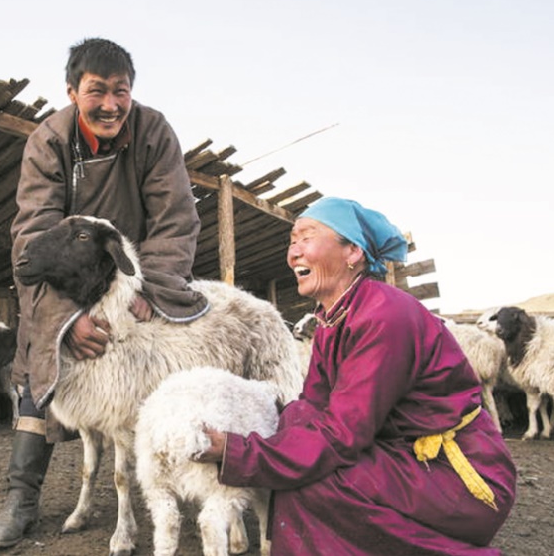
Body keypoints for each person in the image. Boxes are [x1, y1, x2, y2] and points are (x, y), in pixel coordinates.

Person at [0, 38, 209, 550]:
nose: (111, 104)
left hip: (133, 274)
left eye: (121, 91)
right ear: (72, 91)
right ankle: (21, 497)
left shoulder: (152, 132)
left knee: (163, 368)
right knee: (37, 365)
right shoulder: (48, 141)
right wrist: (66, 319)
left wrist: (150, 285)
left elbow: (175, 216)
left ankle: (200, 480)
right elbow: (35, 234)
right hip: (66, 277)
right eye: (97, 91)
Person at [195, 197, 517, 555]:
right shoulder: (334, 318)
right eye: (292, 241)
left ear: (352, 252)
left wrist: (239, 452)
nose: (294, 252)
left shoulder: (383, 315)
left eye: (307, 238)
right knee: (296, 419)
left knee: (315, 477)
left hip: (461, 477)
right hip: (407, 462)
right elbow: (312, 408)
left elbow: (341, 436)